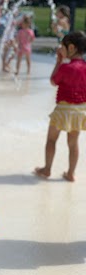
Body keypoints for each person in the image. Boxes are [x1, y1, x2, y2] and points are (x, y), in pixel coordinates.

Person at [34, 31, 86, 182]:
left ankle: (47, 169)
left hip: (63, 109)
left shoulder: (66, 68)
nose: (60, 49)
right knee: (73, 142)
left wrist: (59, 61)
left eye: (62, 47)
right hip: (80, 110)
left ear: (71, 48)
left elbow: (53, 81)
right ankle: (71, 173)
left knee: (51, 139)